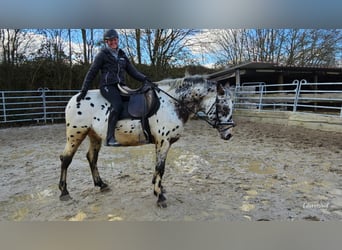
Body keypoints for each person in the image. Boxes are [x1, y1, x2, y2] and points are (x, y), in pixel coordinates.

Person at [76, 29, 152, 146]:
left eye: (115, 39)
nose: (113, 42)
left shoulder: (122, 55)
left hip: (121, 86)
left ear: (117, 39)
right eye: (110, 40)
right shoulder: (102, 55)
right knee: (117, 105)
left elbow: (133, 71)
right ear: (106, 42)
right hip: (107, 86)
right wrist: (83, 90)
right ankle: (110, 138)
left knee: (135, 101)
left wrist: (145, 79)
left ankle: (140, 131)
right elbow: (92, 72)